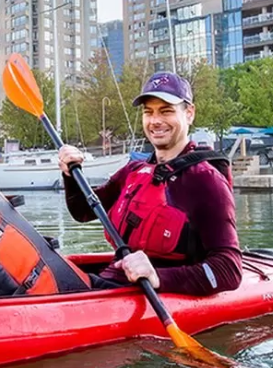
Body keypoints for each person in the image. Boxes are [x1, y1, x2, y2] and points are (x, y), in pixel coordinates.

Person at [57, 71, 242, 296]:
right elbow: (83, 211)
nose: (155, 121)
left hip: (150, 293)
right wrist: (70, 174)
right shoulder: (134, 171)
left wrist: (157, 276)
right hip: (112, 282)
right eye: (148, 112)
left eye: (166, 111)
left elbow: (229, 270)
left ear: (189, 113)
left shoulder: (205, 180)